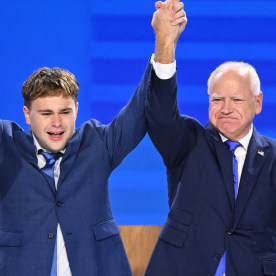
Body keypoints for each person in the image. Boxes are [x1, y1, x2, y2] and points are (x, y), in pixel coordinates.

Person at [0, 2, 185, 275]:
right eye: (46, 113)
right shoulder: (7, 145)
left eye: (65, 111)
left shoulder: (96, 143)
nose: (56, 122)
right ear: (27, 115)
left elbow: (138, 111)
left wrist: (164, 44)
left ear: (76, 109)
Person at [145, 1, 276, 276]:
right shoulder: (188, 141)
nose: (225, 108)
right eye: (217, 99)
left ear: (258, 102)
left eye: (237, 100)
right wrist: (165, 43)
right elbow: (160, 116)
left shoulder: (273, 157)